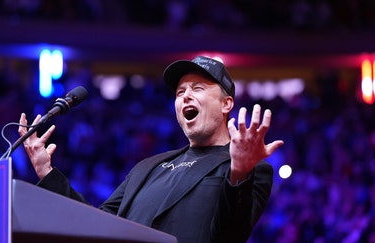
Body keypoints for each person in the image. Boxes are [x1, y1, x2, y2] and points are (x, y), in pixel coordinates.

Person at [18, 56, 284, 243]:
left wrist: (239, 172)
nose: (185, 96)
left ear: (227, 104)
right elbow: (96, 223)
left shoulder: (250, 169)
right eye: (180, 92)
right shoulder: (147, 167)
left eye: (198, 88)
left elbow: (230, 236)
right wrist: (46, 172)